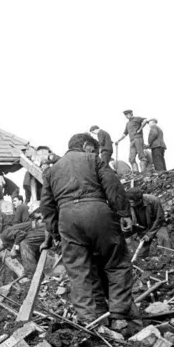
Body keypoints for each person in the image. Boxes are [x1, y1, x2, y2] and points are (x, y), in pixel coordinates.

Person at [41, 133, 137, 328]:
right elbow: (113, 186)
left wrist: (55, 232)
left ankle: (91, 320)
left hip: (68, 218)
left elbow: (47, 206)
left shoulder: (51, 172)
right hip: (98, 211)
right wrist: (124, 212)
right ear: (86, 146)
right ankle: (119, 316)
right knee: (116, 262)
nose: (95, 152)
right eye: (93, 148)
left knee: (79, 270)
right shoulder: (94, 159)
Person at [0, 210, 47, 278]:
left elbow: (21, 234)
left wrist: (14, 248)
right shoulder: (6, 242)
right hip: (38, 229)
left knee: (24, 243)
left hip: (41, 228)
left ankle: (32, 273)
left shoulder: (5, 234)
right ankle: (32, 270)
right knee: (25, 244)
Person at [124, 188, 170, 258]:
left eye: (132, 203)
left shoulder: (154, 200)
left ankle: (167, 258)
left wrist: (149, 234)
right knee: (138, 253)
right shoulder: (127, 202)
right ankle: (142, 256)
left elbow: (159, 219)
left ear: (139, 200)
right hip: (140, 227)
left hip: (156, 225)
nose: (130, 204)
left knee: (164, 240)